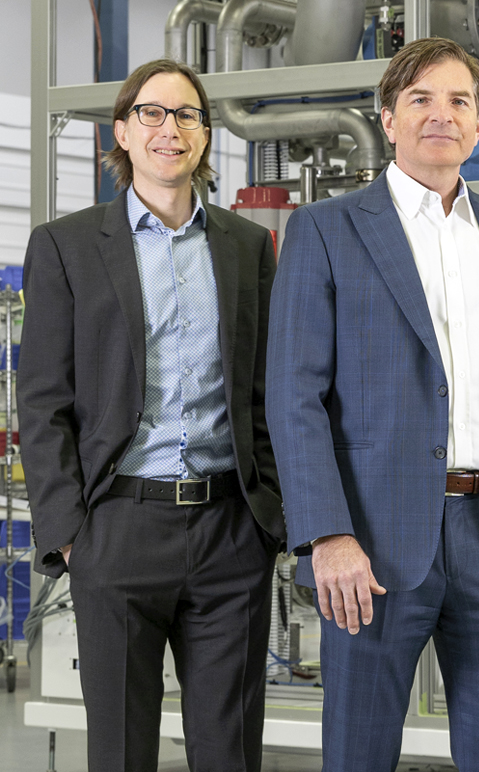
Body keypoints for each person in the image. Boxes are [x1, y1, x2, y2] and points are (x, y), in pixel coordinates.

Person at [265, 37, 479, 771]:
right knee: (360, 752)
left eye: (460, 101)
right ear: (388, 117)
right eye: (421, 99)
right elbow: (294, 395)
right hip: (368, 545)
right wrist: (326, 535)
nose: (442, 115)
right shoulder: (326, 231)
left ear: (478, 124)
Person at [17, 59, 283, 772]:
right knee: (122, 752)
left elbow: (264, 391)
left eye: (187, 115)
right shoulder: (66, 246)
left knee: (229, 752)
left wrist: (271, 518)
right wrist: (70, 534)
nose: (171, 129)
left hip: (231, 532)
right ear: (123, 132)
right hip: (118, 529)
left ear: (205, 134)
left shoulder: (247, 246)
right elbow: (41, 398)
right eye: (152, 114)